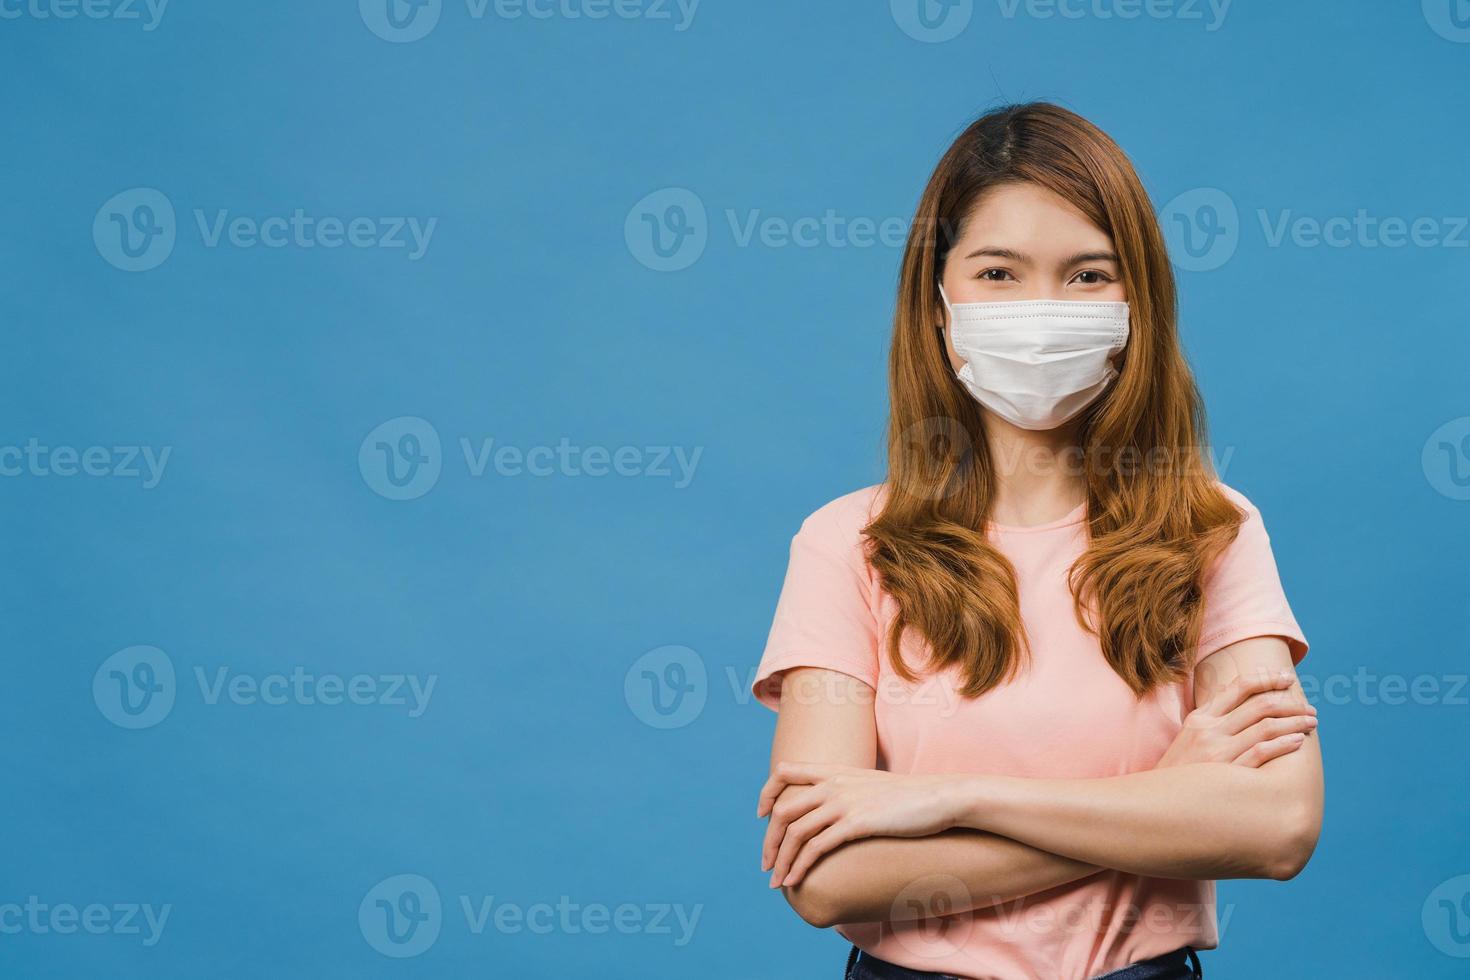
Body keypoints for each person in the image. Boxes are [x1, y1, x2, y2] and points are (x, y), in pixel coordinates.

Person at [751, 102, 1321, 980]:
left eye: (1089, 276)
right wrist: (1167, 805)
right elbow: (828, 881)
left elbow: (1277, 829)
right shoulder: (847, 546)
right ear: (939, 304)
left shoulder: (1213, 530)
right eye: (998, 274)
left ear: (1138, 304)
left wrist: (953, 800)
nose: (1043, 310)